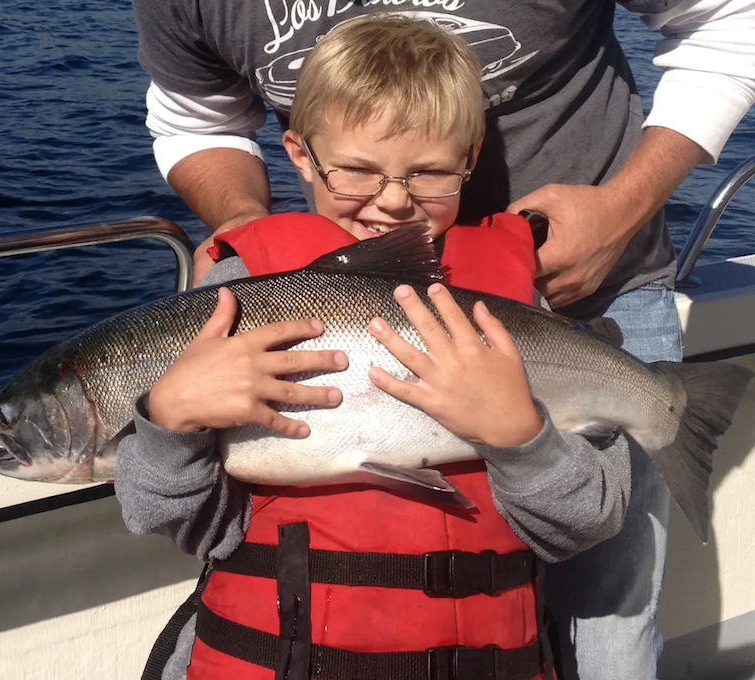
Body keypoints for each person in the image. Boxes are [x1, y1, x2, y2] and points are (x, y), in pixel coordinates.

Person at [130, 0, 755, 676]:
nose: (393, 200)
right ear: (301, 156)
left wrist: (523, 438)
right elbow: (188, 519)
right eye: (358, 171)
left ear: (469, 161)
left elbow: (586, 517)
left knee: (611, 620)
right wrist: (169, 423)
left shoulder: (524, 303)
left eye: (428, 173)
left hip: (574, 275)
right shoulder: (239, 293)